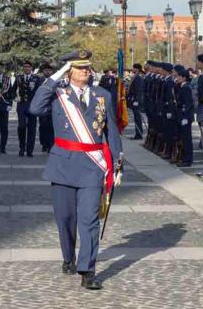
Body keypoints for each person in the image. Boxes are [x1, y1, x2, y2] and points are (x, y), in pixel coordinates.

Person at [29, 50, 123, 290]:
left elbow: (111, 130)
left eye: (87, 67)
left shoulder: (102, 95)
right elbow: (35, 108)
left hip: (92, 166)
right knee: (66, 218)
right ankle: (68, 257)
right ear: (69, 70)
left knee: (89, 219)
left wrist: (118, 163)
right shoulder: (58, 93)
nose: (86, 71)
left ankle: (87, 270)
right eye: (80, 67)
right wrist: (55, 77)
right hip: (63, 165)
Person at [13, 61, 41, 157]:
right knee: (21, 126)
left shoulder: (37, 79)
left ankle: (30, 150)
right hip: (21, 105)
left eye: (28, 67)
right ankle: (22, 148)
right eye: (25, 67)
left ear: (31, 68)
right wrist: (15, 97)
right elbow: (12, 91)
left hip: (32, 105)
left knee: (32, 128)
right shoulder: (19, 78)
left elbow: (40, 92)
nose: (27, 68)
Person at [174, 66, 194, 167]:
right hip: (181, 115)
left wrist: (185, 117)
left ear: (184, 78)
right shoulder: (181, 87)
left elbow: (188, 104)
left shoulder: (186, 88)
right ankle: (183, 157)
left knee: (186, 139)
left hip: (185, 116)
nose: (177, 78)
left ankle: (187, 159)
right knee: (182, 138)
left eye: (179, 77)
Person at [38, 63, 55, 152]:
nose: (48, 72)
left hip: (52, 107)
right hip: (42, 106)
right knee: (43, 126)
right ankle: (44, 144)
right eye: (46, 70)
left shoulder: (55, 81)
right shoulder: (39, 80)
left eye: (49, 70)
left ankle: (51, 144)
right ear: (43, 71)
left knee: (52, 126)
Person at [127, 64, 144, 140]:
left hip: (136, 101)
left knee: (137, 118)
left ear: (137, 69)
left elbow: (138, 90)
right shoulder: (135, 77)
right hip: (133, 100)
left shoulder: (138, 78)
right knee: (136, 118)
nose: (132, 69)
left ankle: (139, 134)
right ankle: (138, 133)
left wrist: (136, 100)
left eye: (134, 68)